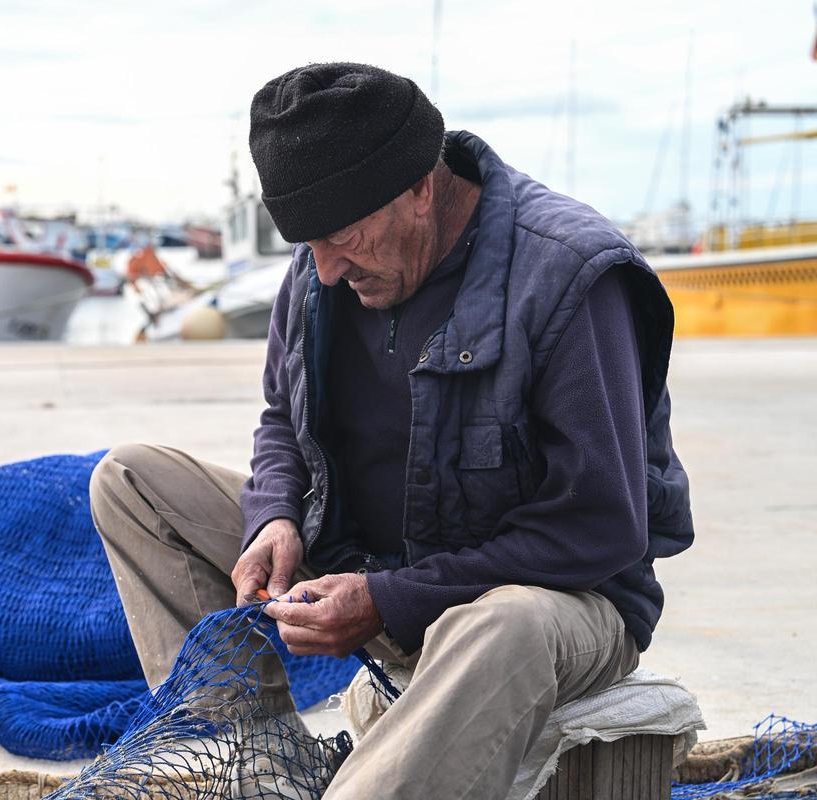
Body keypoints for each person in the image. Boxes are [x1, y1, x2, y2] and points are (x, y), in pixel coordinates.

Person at [90, 62, 693, 799]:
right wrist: (273, 514)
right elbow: (284, 419)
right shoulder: (320, 265)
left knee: (500, 626)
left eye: (345, 237)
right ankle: (258, 778)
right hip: (370, 572)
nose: (327, 270)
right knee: (130, 482)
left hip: (557, 605)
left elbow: (602, 526)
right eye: (308, 245)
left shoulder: (568, 275)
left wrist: (391, 597)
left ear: (420, 187)